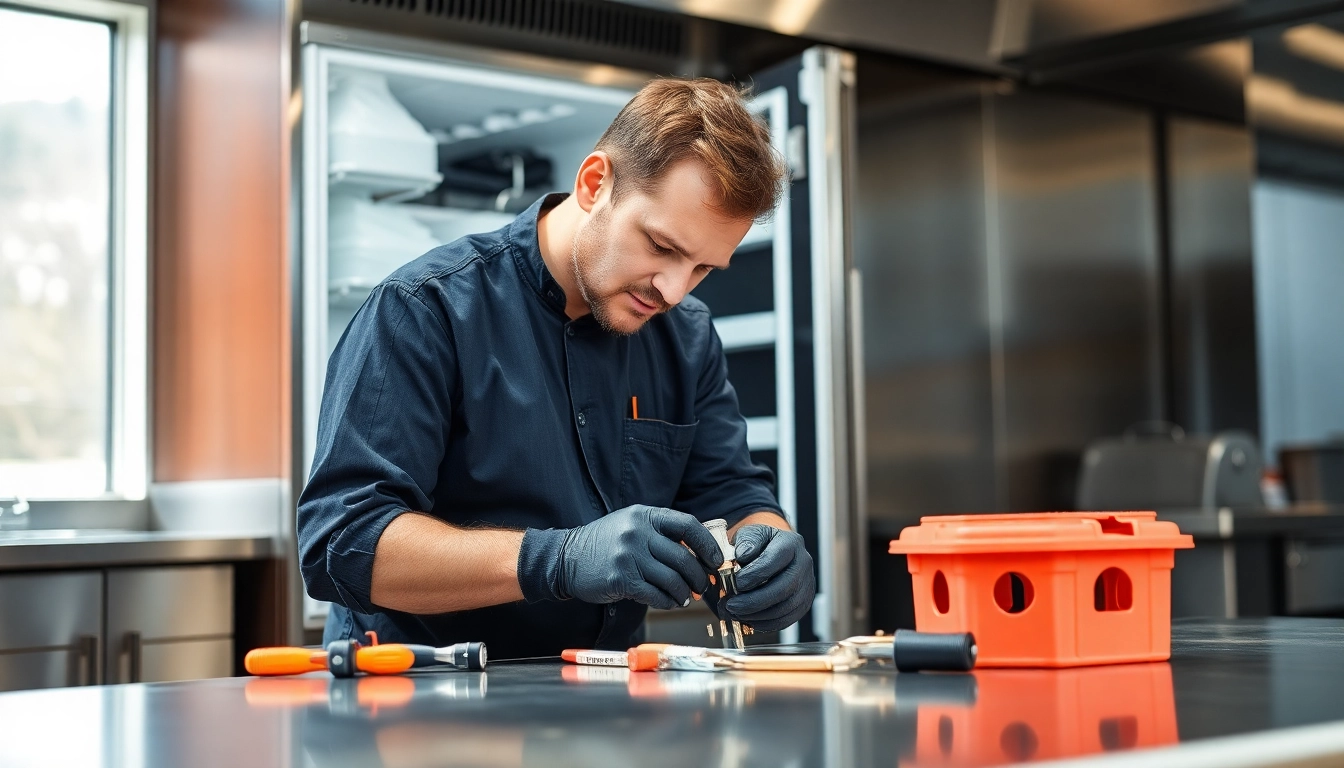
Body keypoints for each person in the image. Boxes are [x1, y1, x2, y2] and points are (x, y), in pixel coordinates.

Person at [297, 77, 816, 658]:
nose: (673, 289)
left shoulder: (685, 336)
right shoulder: (425, 310)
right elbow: (341, 543)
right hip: (420, 699)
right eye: (662, 247)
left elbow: (729, 491)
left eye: (701, 269)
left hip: (605, 701)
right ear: (595, 184)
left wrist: (768, 546)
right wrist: (558, 559)